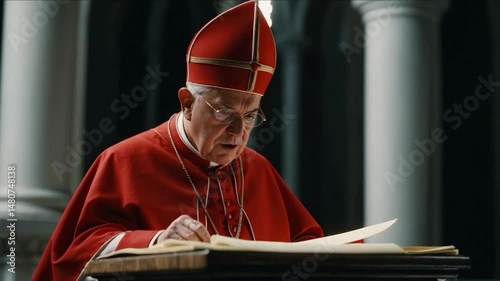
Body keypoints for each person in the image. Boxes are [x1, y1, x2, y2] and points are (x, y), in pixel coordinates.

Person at [33, 1, 323, 280]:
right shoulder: (126, 160)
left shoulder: (257, 169)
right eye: (224, 113)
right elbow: (76, 252)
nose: (238, 131)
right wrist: (157, 241)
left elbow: (310, 242)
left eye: (250, 116)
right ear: (186, 103)